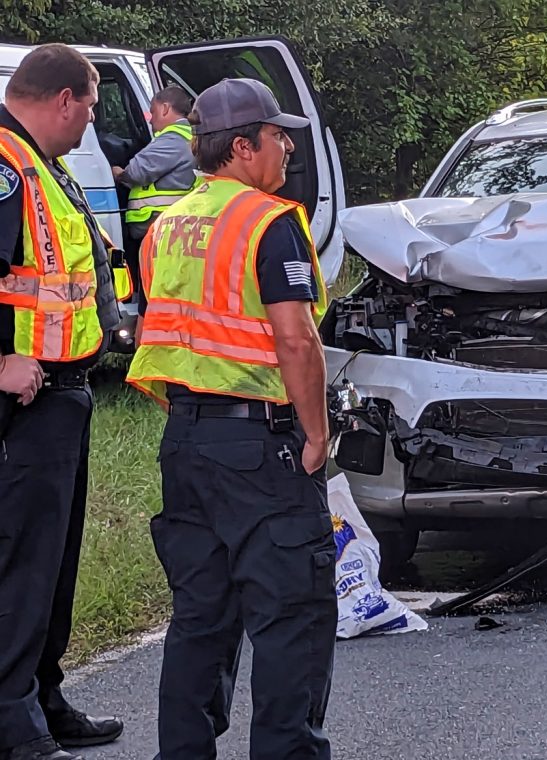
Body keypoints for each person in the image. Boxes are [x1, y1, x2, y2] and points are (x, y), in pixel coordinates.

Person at [126, 78, 336, 760]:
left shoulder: (167, 226)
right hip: (260, 445)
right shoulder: (266, 221)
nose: (286, 147)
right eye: (277, 136)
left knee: (199, 620)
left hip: (185, 442)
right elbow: (296, 338)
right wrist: (316, 433)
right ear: (243, 147)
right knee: (290, 617)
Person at [0, 45, 125, 760]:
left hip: (63, 395)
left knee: (52, 560)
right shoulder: (6, 168)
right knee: (22, 560)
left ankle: (43, 696)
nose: (90, 126)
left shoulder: (37, 165)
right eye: (92, 108)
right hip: (26, 401)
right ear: (67, 99)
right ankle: (12, 721)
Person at [111, 85, 197, 241]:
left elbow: (137, 172)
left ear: (165, 109)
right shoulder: (188, 135)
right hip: (172, 222)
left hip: (159, 223)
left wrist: (119, 174)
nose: (150, 120)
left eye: (153, 112)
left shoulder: (173, 138)